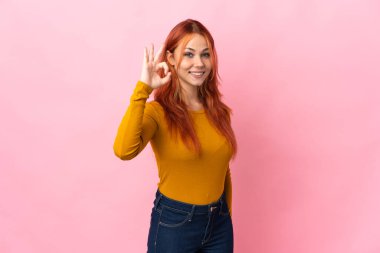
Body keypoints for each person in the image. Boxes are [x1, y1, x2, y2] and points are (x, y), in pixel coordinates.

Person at [113, 19, 237, 253]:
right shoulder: (157, 113)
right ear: (170, 59)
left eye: (205, 54)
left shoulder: (220, 112)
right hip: (175, 224)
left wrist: (225, 217)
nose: (199, 63)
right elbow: (123, 150)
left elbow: (222, 170)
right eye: (188, 54)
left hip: (219, 224)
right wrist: (143, 89)